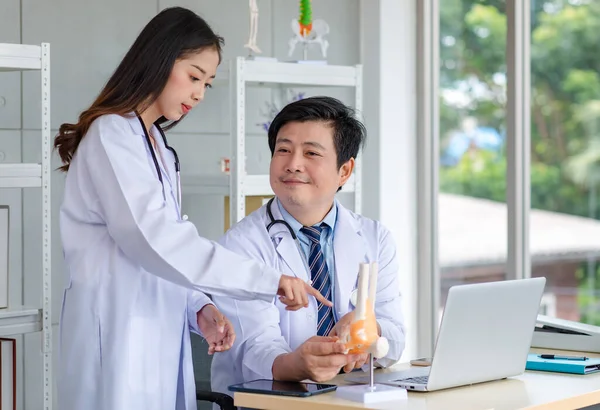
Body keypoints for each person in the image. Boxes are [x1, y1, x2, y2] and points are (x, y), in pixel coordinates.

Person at [53, 7, 329, 410]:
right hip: (114, 337)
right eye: (194, 76)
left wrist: (198, 306)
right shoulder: (112, 135)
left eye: (208, 84)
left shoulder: (159, 149)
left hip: (157, 338)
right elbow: (157, 241)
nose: (199, 93)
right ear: (159, 60)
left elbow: (165, 256)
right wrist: (269, 279)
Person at [210, 96, 406, 396]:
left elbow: (396, 337)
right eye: (283, 150)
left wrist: (370, 329)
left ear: (345, 171)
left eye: (311, 153)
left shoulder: (374, 238)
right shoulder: (242, 243)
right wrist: (298, 363)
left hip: (349, 398)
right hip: (268, 402)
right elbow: (254, 349)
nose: (293, 164)